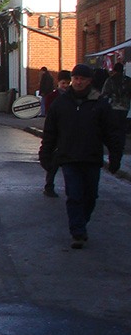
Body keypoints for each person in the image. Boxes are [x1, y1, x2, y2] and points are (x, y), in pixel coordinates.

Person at [38, 62, 124, 248]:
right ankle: (77, 232)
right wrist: (45, 153)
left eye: (82, 79)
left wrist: (115, 156)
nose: (78, 82)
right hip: (69, 157)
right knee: (74, 195)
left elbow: (111, 132)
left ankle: (81, 222)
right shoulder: (61, 103)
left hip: (92, 157)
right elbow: (51, 131)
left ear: (89, 81)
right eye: (76, 78)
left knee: (90, 196)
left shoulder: (99, 104)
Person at [41, 70, 70, 196]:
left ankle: (71, 187)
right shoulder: (52, 97)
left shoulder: (73, 97)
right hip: (56, 135)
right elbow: (49, 114)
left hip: (69, 135)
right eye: (63, 83)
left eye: (68, 83)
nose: (66, 86)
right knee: (54, 163)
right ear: (58, 83)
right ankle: (49, 186)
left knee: (69, 165)